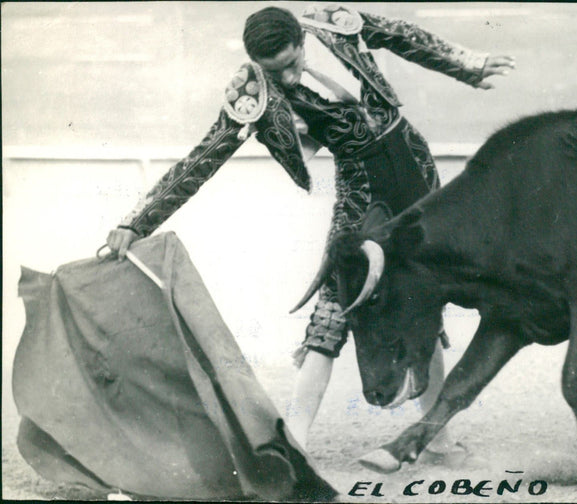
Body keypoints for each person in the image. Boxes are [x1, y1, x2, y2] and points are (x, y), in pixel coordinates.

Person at [106, 3, 515, 464]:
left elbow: (401, 34)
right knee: (334, 306)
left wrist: (468, 65)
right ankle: (294, 442)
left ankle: (436, 438)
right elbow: (203, 159)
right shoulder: (253, 92)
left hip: (416, 172)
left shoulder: (332, 25)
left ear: (302, 41)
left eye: (290, 65)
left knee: (428, 297)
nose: (283, 80)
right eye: (271, 72)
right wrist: (135, 221)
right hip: (362, 191)